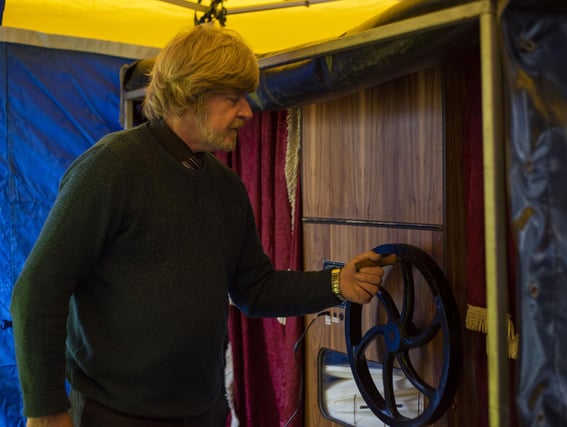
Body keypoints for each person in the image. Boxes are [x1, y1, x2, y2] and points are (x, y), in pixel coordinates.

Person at [10, 24, 392, 427]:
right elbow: (39, 289)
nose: (247, 111)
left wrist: (336, 284)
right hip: (115, 415)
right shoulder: (111, 168)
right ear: (188, 94)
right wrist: (47, 409)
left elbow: (255, 289)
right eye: (232, 98)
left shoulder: (226, 188)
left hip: (205, 412)